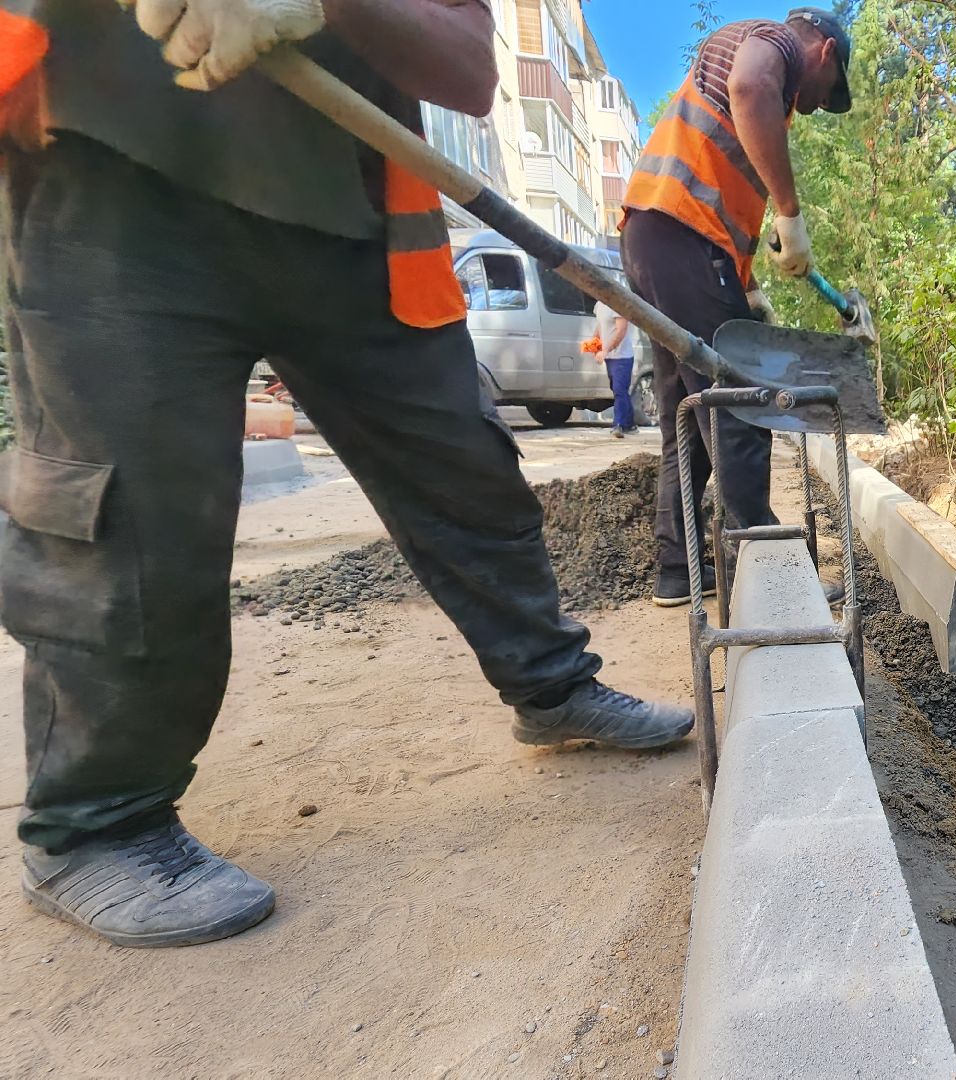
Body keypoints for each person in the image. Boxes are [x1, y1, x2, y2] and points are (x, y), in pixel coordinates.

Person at [0, 0, 695, 948]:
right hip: (114, 178)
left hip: (356, 215)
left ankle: (552, 688)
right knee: (137, 515)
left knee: (466, 466)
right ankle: (95, 821)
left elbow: (467, 69)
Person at [620, 6, 851, 608]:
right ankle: (775, 580)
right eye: (830, 91)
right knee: (741, 403)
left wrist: (743, 285)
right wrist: (791, 215)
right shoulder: (773, 42)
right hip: (681, 236)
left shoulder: (767, 81)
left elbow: (722, 177)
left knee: (685, 414)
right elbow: (749, 86)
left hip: (656, 236)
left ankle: (679, 571)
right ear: (824, 52)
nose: (819, 103)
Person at [592, 298, 639, 437]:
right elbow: (600, 327)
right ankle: (630, 424)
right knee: (618, 390)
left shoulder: (618, 304)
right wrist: (594, 345)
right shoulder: (599, 305)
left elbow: (621, 330)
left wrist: (606, 349)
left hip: (622, 356)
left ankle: (619, 425)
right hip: (610, 358)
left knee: (619, 389)